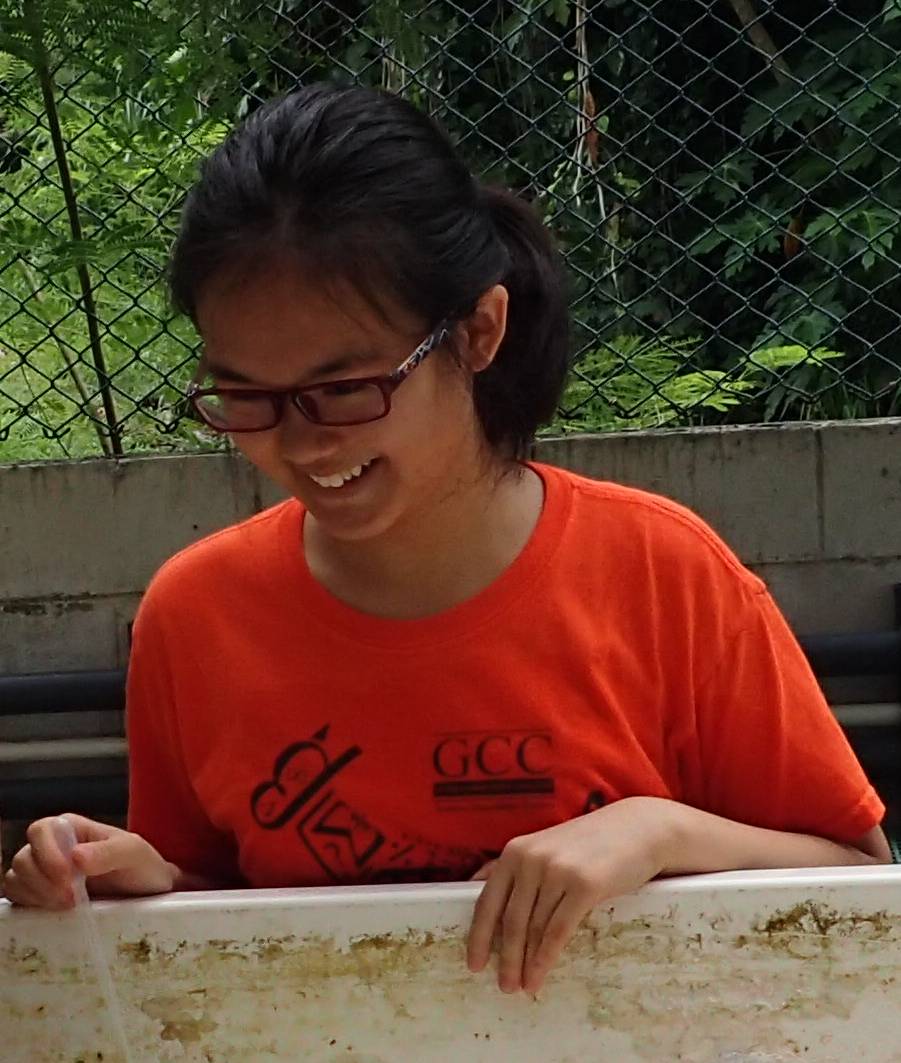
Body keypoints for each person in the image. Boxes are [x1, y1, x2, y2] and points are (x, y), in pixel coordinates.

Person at [3, 83, 890, 996]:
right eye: (245, 396)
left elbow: (861, 888)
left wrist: (659, 831)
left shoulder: (664, 575)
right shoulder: (196, 616)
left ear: (477, 333)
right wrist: (124, 887)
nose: (302, 444)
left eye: (344, 388)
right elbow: (205, 947)